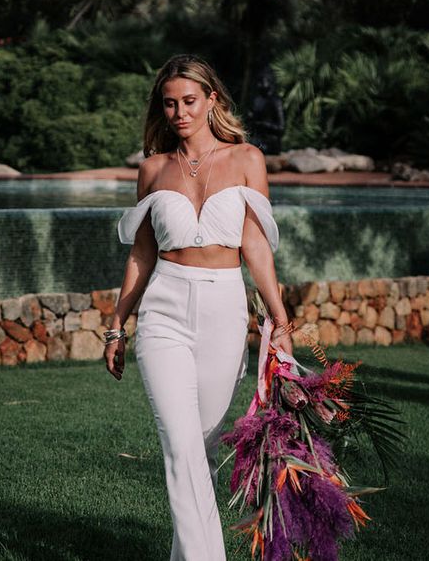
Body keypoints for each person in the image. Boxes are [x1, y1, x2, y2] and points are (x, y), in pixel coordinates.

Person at [103, 54, 294, 560]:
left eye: (189, 101)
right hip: (164, 307)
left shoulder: (247, 159)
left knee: (202, 450)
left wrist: (280, 320)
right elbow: (142, 253)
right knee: (180, 446)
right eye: (170, 104)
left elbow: (255, 245)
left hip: (224, 308)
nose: (180, 113)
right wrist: (117, 324)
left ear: (213, 100)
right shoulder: (153, 169)